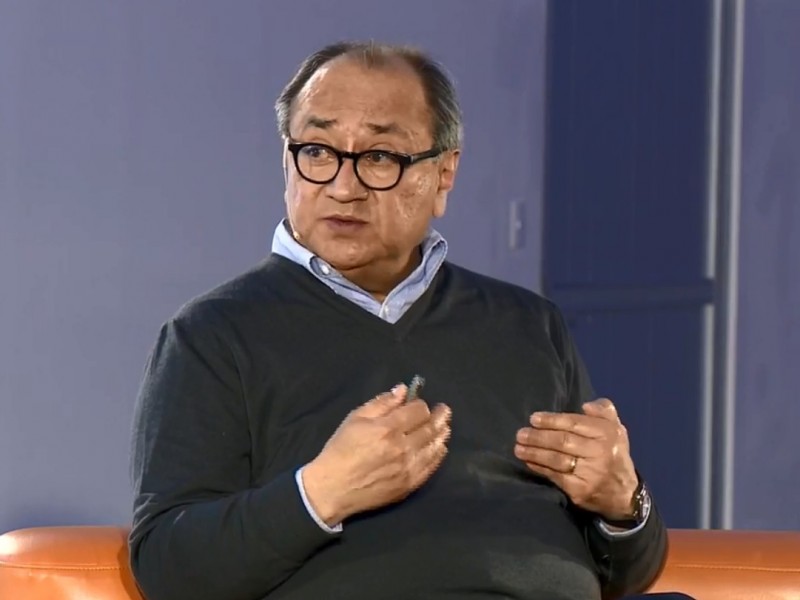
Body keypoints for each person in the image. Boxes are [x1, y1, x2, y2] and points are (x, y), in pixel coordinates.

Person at [128, 41, 671, 600]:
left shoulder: (530, 325)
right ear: (287, 161)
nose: (343, 187)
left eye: (380, 157)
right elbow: (168, 567)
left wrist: (623, 503)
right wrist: (320, 493)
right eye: (317, 151)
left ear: (444, 174)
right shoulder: (212, 336)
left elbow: (629, 571)